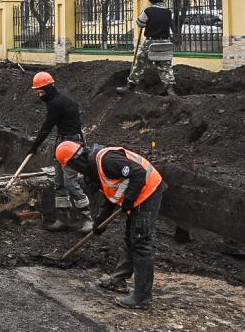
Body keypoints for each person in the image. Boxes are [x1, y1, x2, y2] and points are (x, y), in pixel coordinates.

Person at [56, 140, 165, 309]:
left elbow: (138, 173)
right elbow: (110, 194)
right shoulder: (95, 168)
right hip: (138, 194)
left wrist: (128, 200)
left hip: (148, 191)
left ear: (74, 161)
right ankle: (118, 280)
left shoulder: (106, 160)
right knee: (130, 237)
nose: (74, 172)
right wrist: (100, 221)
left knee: (140, 242)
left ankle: (142, 298)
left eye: (71, 167)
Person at [27, 72, 93, 234]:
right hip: (62, 142)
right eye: (37, 91)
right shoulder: (56, 97)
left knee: (70, 182)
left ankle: (88, 219)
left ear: (48, 87)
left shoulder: (57, 102)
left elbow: (46, 127)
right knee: (59, 182)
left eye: (40, 90)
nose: (38, 94)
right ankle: (63, 218)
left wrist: (34, 147)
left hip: (72, 144)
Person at [117, 0, 177, 97]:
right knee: (165, 66)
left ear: (150, 0)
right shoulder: (168, 12)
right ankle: (170, 90)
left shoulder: (148, 11)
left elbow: (140, 23)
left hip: (151, 42)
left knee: (140, 64)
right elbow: (172, 26)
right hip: (165, 42)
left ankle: (130, 86)